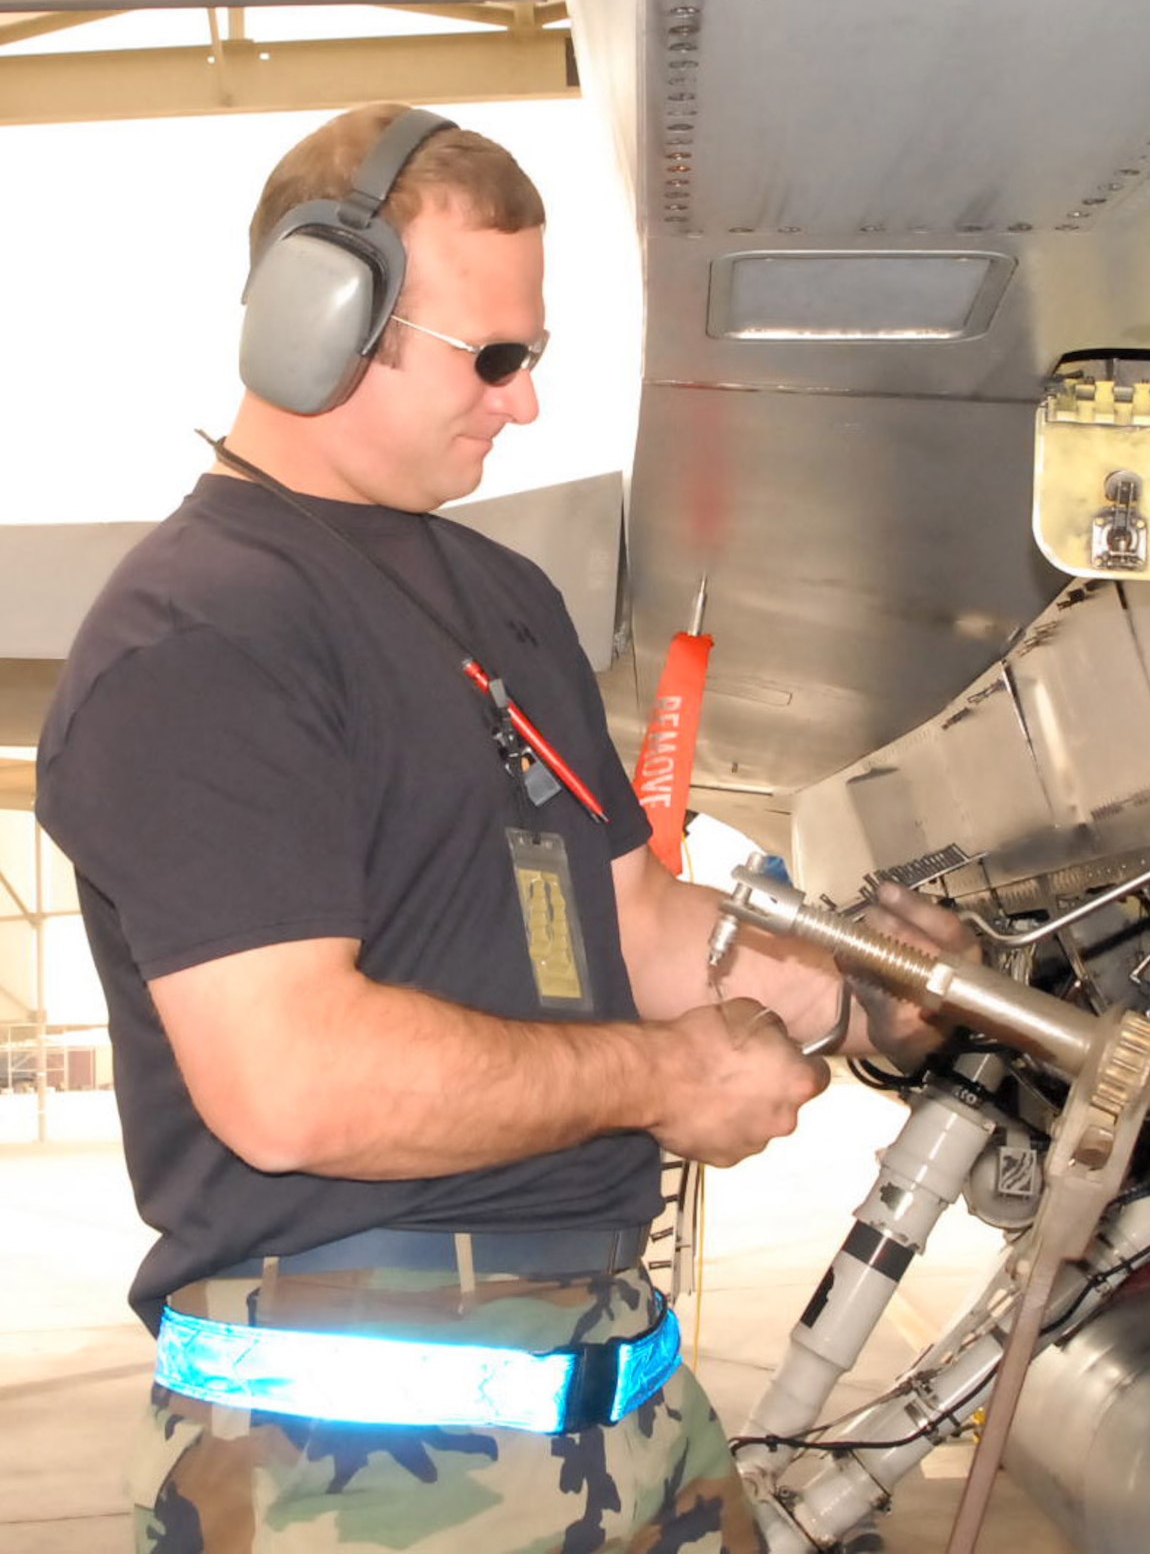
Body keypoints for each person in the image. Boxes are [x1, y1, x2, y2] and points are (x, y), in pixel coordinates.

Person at [36, 102, 968, 1554]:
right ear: (316, 321)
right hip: (343, 1478)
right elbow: (293, 1081)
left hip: (623, 1422)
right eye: (494, 359)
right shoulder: (198, 638)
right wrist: (663, 1082)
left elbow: (639, 931)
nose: (524, 404)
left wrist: (857, 995)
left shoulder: (505, 608)